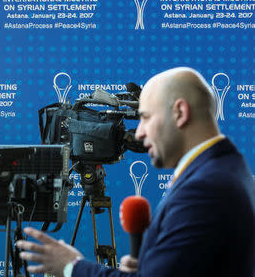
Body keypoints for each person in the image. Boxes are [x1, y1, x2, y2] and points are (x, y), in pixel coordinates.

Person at [16, 67, 255, 277]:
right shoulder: (229, 170)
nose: (138, 134)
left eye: (146, 118)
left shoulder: (205, 188)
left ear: (180, 113)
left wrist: (71, 266)